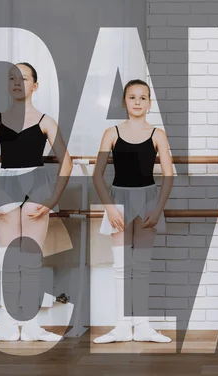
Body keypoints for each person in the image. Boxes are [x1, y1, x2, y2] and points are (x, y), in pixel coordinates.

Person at [0, 63, 72, 342]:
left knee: (31, 260)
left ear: (35, 86)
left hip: (38, 187)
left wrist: (53, 198)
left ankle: (30, 325)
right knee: (7, 259)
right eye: (13, 78)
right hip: (6, 185)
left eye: (24, 78)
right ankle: (7, 324)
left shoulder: (45, 121)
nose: (18, 82)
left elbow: (67, 160)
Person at [92, 79, 173, 344]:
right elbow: (98, 175)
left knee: (142, 266)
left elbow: (169, 176)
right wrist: (109, 206)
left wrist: (159, 209)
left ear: (149, 102)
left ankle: (144, 326)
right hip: (119, 200)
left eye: (142, 97)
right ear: (124, 101)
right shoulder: (111, 133)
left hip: (149, 199)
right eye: (132, 97)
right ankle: (122, 327)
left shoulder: (158, 134)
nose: (137, 102)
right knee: (121, 266)